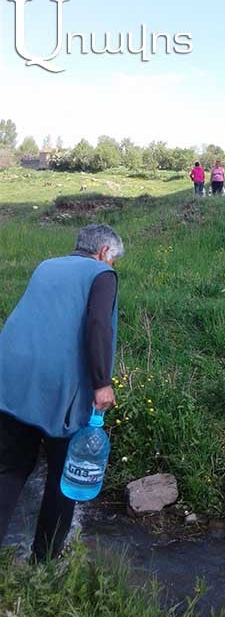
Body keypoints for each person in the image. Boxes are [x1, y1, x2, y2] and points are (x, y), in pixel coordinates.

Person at [0, 224, 124, 561]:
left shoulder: (47, 265)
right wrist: (101, 383)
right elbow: (98, 324)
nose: (113, 266)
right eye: (114, 259)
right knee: (63, 472)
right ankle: (45, 563)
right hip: (58, 384)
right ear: (104, 253)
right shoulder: (102, 274)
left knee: (10, 466)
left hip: (11, 373)